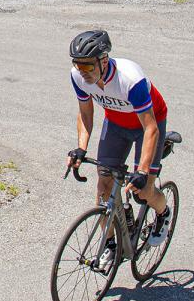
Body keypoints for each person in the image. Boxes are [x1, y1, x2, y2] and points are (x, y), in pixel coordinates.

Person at [65, 30, 172, 250]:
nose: (82, 71)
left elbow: (151, 128)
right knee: (104, 188)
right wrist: (80, 148)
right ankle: (111, 246)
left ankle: (163, 212)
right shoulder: (78, 77)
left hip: (148, 125)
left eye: (87, 66)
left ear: (103, 60)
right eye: (78, 65)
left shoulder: (130, 79)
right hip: (116, 124)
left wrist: (142, 172)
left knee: (144, 192)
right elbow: (85, 114)